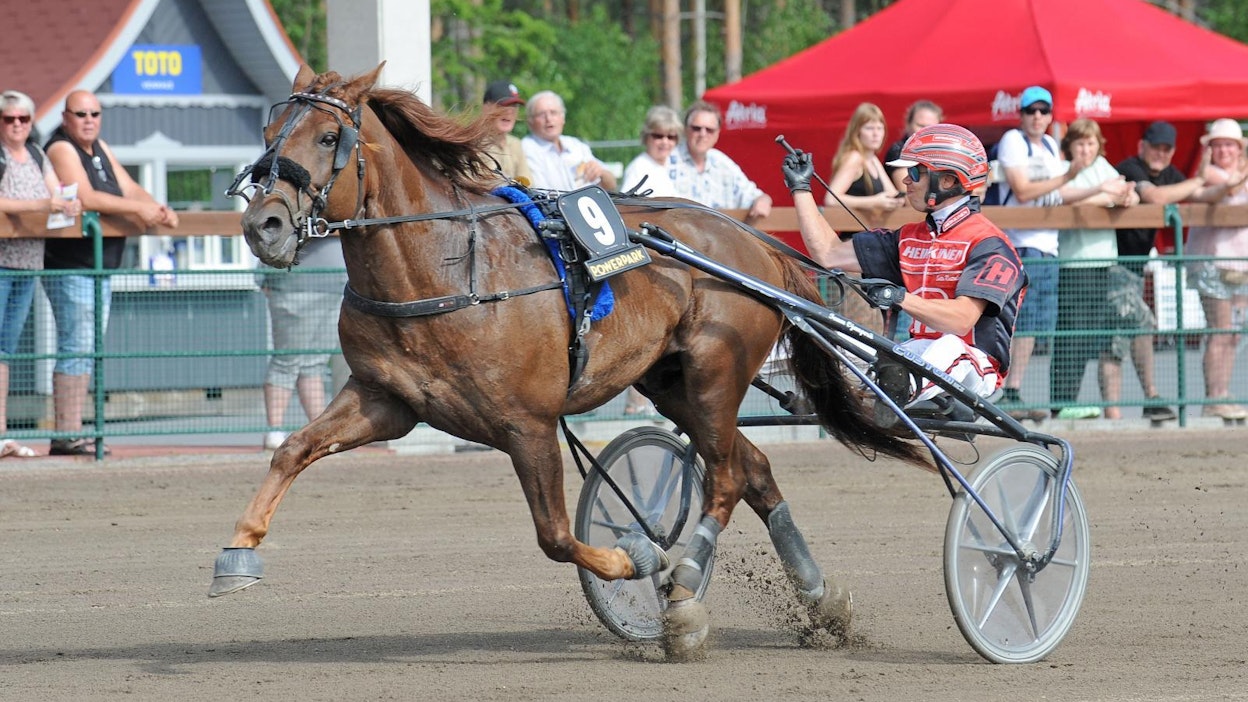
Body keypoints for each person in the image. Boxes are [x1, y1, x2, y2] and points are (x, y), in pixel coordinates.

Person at [782, 123, 1025, 420]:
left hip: (974, 367)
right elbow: (828, 253)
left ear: (948, 181)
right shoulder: (907, 236)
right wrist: (801, 189)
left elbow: (962, 321)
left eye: (914, 173)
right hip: (914, 355)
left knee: (948, 345)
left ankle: (889, 394)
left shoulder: (990, 245)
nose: (905, 182)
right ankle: (836, 393)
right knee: (841, 335)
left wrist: (899, 297)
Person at [43, 89, 179, 455]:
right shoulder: (61, 147)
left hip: (101, 264)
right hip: (71, 263)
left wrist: (155, 207)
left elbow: (127, 186)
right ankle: (66, 433)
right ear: (66, 116)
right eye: (81, 113)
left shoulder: (99, 146)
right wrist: (139, 212)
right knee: (78, 344)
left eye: (94, 113)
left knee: (88, 347)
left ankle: (72, 430)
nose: (89, 120)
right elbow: (86, 196)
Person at [993, 86, 1104, 421]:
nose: (1037, 116)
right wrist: (1070, 174)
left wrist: (1101, 190)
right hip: (1021, 242)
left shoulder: (1051, 144)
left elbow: (1059, 193)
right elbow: (1023, 190)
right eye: (1031, 110)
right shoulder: (1014, 139)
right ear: (1022, 114)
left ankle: (1013, 390)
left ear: (1051, 115)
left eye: (1043, 110)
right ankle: (1002, 388)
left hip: (1046, 244)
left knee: (1035, 323)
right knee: (1018, 320)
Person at [1115, 120, 1238, 421]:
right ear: (1141, 146)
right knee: (1115, 336)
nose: (1160, 153)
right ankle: (1128, 407)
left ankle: (1145, 401)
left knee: (1123, 335)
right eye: (1155, 147)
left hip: (1133, 268)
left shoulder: (1171, 175)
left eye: (1166, 148)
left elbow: (1202, 196)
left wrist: (1225, 186)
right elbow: (1155, 196)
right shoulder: (1129, 167)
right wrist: (1198, 180)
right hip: (1108, 265)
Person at [1046, 119, 1151, 420]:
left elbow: (1124, 194)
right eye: (1080, 143)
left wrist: (1125, 196)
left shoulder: (1103, 165)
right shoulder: (1064, 168)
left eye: (1091, 144)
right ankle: (1062, 401)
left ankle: (1071, 401)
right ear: (1070, 146)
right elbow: (1063, 197)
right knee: (1072, 334)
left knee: (1089, 333)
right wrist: (1106, 195)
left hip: (1105, 261)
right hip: (1074, 261)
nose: (1086, 149)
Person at [0, 90, 80, 458]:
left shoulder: (35, 155)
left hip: (29, 261)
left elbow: (56, 194)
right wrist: (42, 204)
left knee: (6, 349)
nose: (17, 125)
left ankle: (2, 434)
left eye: (23, 119)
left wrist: (69, 201)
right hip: (2, 261)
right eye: (9, 119)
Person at [1186, 118, 1248, 420]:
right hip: (1212, 262)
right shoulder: (1206, 174)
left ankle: (1222, 392)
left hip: (1240, 263)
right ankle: (1213, 396)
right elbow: (1222, 190)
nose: (1224, 149)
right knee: (1220, 330)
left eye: (1229, 144)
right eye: (1219, 144)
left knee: (1233, 334)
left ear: (1238, 148)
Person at [261, 236, 348, 449]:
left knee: (314, 363)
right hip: (293, 284)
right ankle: (274, 431)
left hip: (334, 285)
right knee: (287, 361)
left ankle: (317, 430)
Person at [669, 100, 772, 224]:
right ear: (685, 130)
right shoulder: (667, 161)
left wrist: (763, 201)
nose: (703, 134)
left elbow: (754, 196)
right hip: (676, 241)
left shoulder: (722, 163)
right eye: (696, 128)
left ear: (717, 133)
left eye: (709, 130)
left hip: (720, 240)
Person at [521, 90, 617, 192]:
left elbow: (612, 185)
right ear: (530, 122)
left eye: (553, 113)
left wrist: (601, 173)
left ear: (563, 118)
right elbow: (541, 195)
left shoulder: (576, 145)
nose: (548, 119)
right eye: (541, 114)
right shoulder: (526, 149)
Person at [825, 102, 904, 215]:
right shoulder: (855, 157)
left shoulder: (873, 159)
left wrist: (897, 200)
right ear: (857, 131)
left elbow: (891, 193)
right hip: (854, 230)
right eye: (869, 128)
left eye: (880, 128)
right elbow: (831, 199)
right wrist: (874, 202)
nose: (876, 134)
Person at [620, 105, 681, 198]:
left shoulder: (679, 163)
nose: (665, 142)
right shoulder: (638, 168)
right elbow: (626, 206)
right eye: (658, 136)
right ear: (646, 137)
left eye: (671, 137)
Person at [481, 79, 532, 184]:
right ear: (486, 108)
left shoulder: (516, 144)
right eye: (503, 105)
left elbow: (528, 185)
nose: (509, 111)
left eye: (514, 106)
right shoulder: (473, 144)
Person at [884, 100, 943, 190]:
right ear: (908, 124)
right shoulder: (899, 150)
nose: (924, 131)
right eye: (920, 125)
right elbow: (906, 192)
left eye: (930, 127)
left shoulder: (940, 152)